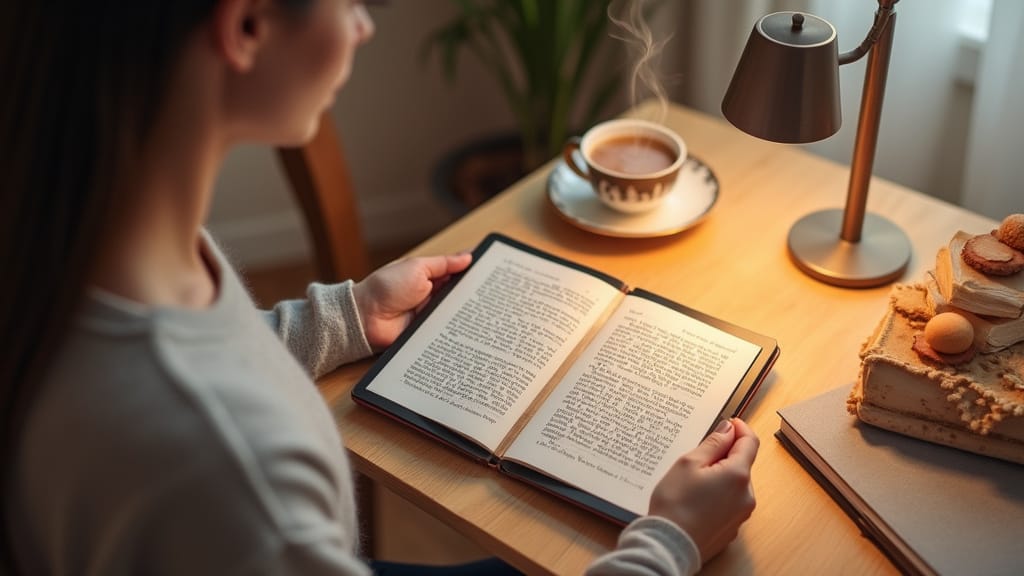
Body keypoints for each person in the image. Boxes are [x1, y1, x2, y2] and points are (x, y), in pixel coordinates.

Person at [0, 1, 759, 574]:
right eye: (353, 2)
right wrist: (668, 544)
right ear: (247, 28)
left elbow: (170, 357)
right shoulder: (239, 477)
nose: (363, 29)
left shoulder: (81, 233)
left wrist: (344, 316)